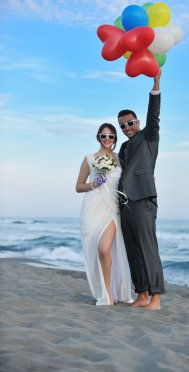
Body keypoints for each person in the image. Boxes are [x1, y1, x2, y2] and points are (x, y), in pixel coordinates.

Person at [118, 69, 166, 310]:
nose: (126, 127)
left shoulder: (148, 136)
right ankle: (142, 295)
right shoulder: (123, 148)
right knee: (133, 251)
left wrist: (155, 86)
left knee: (148, 250)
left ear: (137, 122)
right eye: (122, 126)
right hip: (124, 205)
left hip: (143, 201)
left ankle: (155, 298)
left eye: (129, 123)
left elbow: (154, 115)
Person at [76, 123, 133, 306]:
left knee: (104, 248)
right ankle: (106, 295)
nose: (107, 139)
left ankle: (111, 292)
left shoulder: (119, 158)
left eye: (111, 136)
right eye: (104, 135)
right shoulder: (89, 158)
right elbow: (78, 186)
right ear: (98, 137)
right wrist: (95, 183)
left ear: (115, 139)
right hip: (93, 208)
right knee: (96, 251)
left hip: (112, 208)